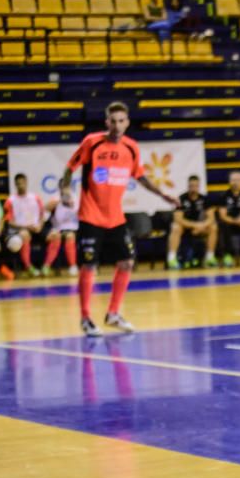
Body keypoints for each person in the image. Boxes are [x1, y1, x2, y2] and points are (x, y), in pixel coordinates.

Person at [62, 102, 178, 337]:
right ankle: (86, 318)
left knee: (127, 262)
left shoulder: (131, 148)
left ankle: (113, 313)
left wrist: (163, 194)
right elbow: (68, 169)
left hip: (115, 218)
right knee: (89, 265)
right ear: (106, 122)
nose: (116, 125)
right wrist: (65, 190)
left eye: (121, 121)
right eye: (112, 121)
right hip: (90, 216)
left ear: (127, 123)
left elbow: (141, 177)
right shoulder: (91, 143)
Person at [168, 175, 217, 269]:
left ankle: (210, 257)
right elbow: (178, 219)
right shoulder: (181, 199)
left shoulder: (205, 199)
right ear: (188, 186)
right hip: (185, 227)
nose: (193, 188)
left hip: (201, 228)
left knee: (213, 227)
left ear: (199, 187)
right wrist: (195, 226)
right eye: (191, 186)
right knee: (175, 227)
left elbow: (211, 218)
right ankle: (172, 259)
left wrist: (201, 226)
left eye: (196, 186)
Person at [3, 173, 45, 277]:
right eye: (18, 183)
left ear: (26, 182)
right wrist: (25, 227)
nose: (21, 185)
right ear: (15, 185)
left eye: (22, 183)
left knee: (55, 235)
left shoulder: (36, 197)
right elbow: (9, 221)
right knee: (24, 234)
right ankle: (28, 266)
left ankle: (46, 267)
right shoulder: (10, 201)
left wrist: (40, 225)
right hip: (20, 229)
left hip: (36, 228)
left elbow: (42, 215)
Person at [42, 179, 79, 276]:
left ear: (70, 187)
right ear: (60, 188)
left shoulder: (75, 198)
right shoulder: (55, 198)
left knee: (70, 236)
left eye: (66, 186)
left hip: (74, 228)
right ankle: (46, 266)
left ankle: (73, 266)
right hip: (58, 228)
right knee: (56, 237)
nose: (65, 189)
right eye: (63, 187)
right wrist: (59, 201)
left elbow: (81, 213)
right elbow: (45, 209)